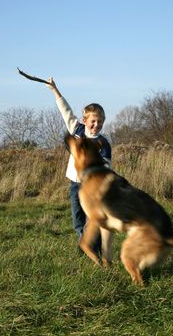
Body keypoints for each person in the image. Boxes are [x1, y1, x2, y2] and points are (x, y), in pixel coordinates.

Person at [46, 77, 112, 253]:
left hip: (92, 188)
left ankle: (92, 249)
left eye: (100, 122)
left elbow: (106, 168)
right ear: (85, 120)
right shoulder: (77, 130)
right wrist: (54, 90)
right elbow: (65, 111)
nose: (96, 125)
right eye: (93, 121)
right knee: (77, 220)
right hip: (75, 184)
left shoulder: (103, 143)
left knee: (93, 220)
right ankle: (86, 244)